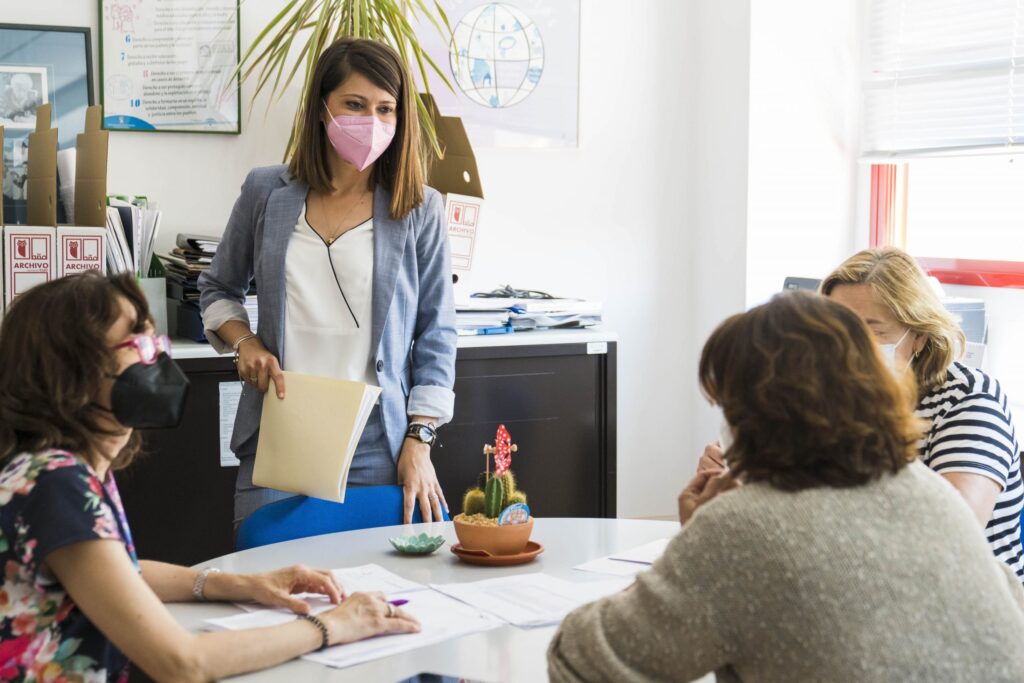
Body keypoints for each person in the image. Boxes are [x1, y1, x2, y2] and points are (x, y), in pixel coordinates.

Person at [548, 291, 1024, 682]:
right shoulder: (930, 492)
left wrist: (703, 540)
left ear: (750, 410)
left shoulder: (744, 526)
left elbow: (582, 660)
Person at [0, 273, 419, 682]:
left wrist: (240, 584)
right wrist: (335, 626)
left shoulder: (57, 470)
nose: (158, 356)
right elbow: (184, 664)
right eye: (139, 342)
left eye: (156, 339)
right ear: (72, 373)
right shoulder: (56, 484)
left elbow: (116, 574)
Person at [198, 38, 456, 528]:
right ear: (322, 109)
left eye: (386, 109)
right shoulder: (265, 191)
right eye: (354, 105)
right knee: (274, 585)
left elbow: (437, 334)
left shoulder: (420, 207)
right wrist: (244, 343)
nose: (372, 123)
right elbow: (216, 289)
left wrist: (419, 441)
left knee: (382, 591)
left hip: (380, 442)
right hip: (281, 432)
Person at [822, 247, 1023, 581]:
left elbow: (951, 535)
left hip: (967, 602)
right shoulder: (830, 396)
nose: (850, 348)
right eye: (838, 330)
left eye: (873, 332)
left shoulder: (969, 400)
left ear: (918, 336)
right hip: (870, 584)